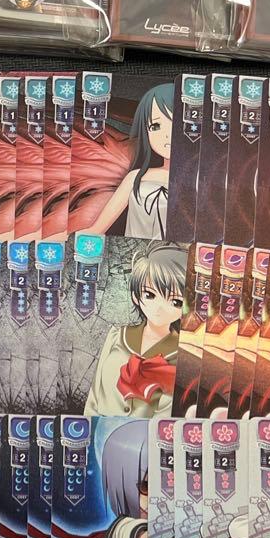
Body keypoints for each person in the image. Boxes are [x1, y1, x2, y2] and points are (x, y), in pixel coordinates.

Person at [83, 242, 186, 418]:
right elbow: (94, 397)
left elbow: (166, 417)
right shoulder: (117, 336)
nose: (159, 308)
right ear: (136, 295)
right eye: (150, 295)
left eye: (176, 302)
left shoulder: (182, 354)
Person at [85, 83, 174, 239]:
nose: (167, 135)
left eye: (175, 124)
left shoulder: (202, 182)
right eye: (156, 126)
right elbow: (96, 229)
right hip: (132, 251)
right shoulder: (135, 177)